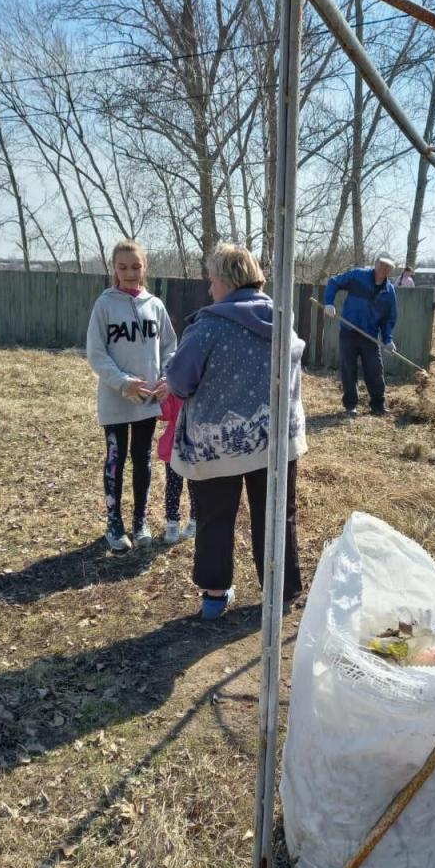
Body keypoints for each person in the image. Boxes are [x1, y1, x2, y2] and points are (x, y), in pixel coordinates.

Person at [165, 242, 307, 620]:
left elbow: (179, 382)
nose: (209, 290)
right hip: (275, 439)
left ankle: (214, 597)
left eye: (211, 281)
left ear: (226, 281)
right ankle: (283, 592)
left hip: (218, 444)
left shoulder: (209, 326)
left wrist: (169, 365)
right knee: (276, 514)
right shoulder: (282, 318)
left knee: (215, 517)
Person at [86, 239, 177, 553]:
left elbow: (170, 347)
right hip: (116, 401)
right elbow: (96, 354)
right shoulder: (104, 304)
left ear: (145, 267)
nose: (129, 272)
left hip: (147, 403)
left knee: (142, 460)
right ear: (114, 268)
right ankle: (114, 523)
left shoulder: (155, 305)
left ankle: (140, 521)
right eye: (123, 267)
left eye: (135, 266)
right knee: (115, 459)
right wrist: (124, 383)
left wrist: (167, 377)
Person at [323, 251, 398, 416]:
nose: (383, 268)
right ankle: (351, 406)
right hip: (349, 331)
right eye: (381, 264)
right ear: (376, 263)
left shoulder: (389, 291)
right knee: (349, 369)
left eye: (387, 266)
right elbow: (334, 282)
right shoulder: (358, 275)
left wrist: (388, 339)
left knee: (375, 369)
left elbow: (388, 319)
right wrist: (328, 302)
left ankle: (378, 405)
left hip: (370, 336)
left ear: (391, 270)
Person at [157, 392, 197, 544]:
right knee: (173, 485)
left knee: (195, 485)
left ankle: (195, 520)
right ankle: (172, 522)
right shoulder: (174, 389)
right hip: (174, 446)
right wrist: (162, 399)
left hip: (195, 445)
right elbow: (164, 415)